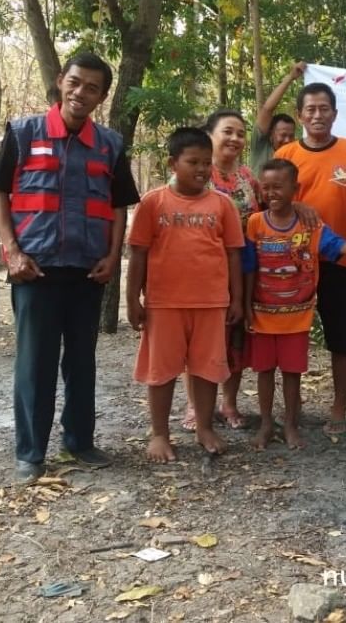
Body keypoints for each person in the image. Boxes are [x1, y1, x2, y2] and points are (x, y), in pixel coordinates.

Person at [0, 52, 140, 482]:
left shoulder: (110, 144)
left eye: (92, 87)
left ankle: (80, 441)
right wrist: (11, 251)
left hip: (88, 271)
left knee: (81, 361)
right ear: (60, 81)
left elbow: (117, 207)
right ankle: (30, 452)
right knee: (35, 362)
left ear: (103, 96)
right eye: (75, 82)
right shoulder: (23, 132)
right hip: (35, 270)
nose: (81, 92)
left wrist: (113, 256)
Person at [243, 159, 346, 450]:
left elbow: (336, 246)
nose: (272, 193)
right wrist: (246, 305)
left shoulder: (310, 225)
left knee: (291, 372)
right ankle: (266, 424)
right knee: (263, 372)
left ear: (295, 189)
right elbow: (248, 266)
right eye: (266, 187)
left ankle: (290, 426)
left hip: (296, 316)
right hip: (262, 314)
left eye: (278, 187)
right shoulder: (255, 223)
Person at [126, 127, 244, 464]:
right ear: (172, 163)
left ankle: (204, 427)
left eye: (207, 163)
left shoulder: (222, 205)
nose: (202, 170)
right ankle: (160, 433)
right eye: (193, 162)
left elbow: (234, 253)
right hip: (164, 304)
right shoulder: (153, 202)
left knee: (207, 369)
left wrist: (236, 299)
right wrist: (133, 299)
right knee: (161, 371)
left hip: (211, 304)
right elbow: (138, 254)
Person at [275, 80, 346, 434]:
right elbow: (267, 199)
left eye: (324, 109)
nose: (317, 115)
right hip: (288, 261)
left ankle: (339, 405)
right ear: (301, 115)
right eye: (310, 109)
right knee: (289, 332)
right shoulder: (286, 155)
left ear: (335, 113)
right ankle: (292, 406)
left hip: (338, 261)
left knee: (342, 336)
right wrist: (294, 202)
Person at [179, 109, 262, 432]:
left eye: (241, 133)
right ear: (210, 135)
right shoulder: (196, 174)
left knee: (235, 336)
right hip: (201, 270)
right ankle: (195, 406)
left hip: (240, 269)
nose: (235, 139)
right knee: (200, 339)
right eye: (228, 131)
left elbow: (266, 213)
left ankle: (229, 403)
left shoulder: (247, 177)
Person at [250, 61, 304, 172]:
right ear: (271, 135)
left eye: (291, 136)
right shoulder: (261, 146)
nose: (287, 140)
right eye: (283, 135)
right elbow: (267, 109)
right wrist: (290, 78)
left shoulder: (295, 156)